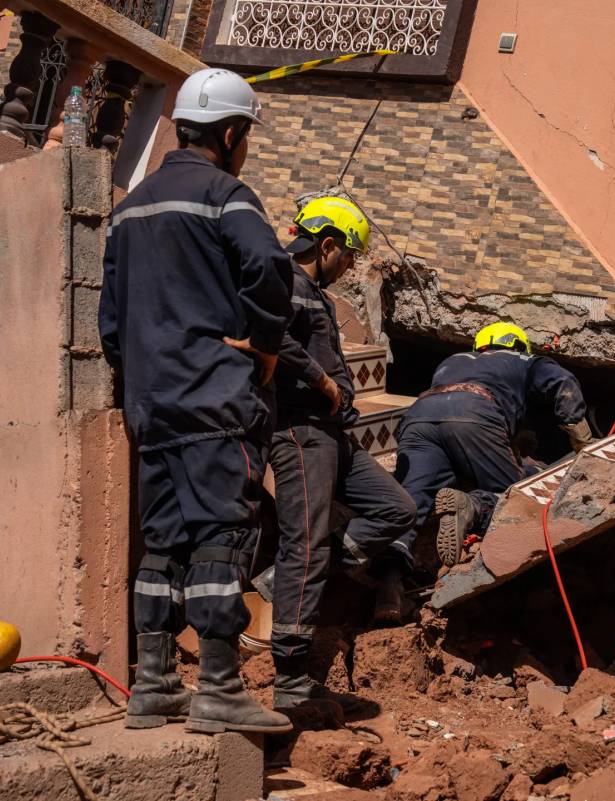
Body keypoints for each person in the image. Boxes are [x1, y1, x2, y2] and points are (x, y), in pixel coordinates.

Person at [99, 68, 293, 734]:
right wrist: (265, 342)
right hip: (215, 398)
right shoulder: (226, 196)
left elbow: (110, 320)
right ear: (233, 133)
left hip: (153, 406)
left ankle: (152, 685)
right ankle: (217, 686)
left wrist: (139, 382)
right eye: (247, 137)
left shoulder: (130, 209)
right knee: (220, 536)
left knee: (163, 542)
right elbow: (271, 269)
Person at [267, 195, 417, 713]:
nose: (350, 266)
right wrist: (324, 384)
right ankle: (290, 679)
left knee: (397, 508)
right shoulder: (284, 282)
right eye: (348, 255)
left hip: (335, 434)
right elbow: (270, 339)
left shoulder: (315, 294)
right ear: (326, 244)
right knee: (303, 547)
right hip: (300, 430)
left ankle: (312, 566)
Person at [387, 322, 594, 573]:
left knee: (410, 500)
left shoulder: (452, 360)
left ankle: (390, 575)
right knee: (515, 497)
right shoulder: (526, 360)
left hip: (418, 418)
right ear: (519, 345)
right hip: (474, 413)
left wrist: (511, 441)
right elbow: (564, 383)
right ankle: (473, 507)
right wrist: (580, 438)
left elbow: (451, 426)